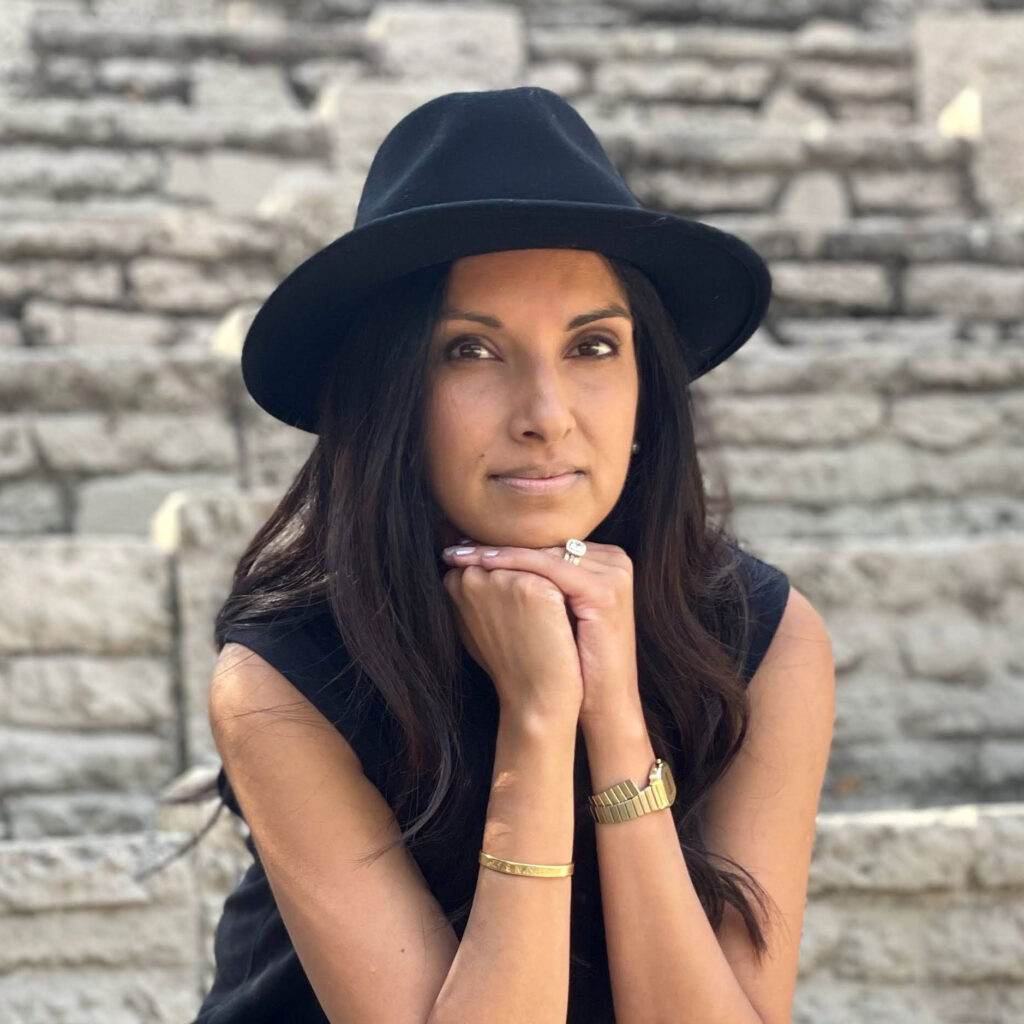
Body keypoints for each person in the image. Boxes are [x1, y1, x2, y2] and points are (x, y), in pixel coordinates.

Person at [182, 86, 835, 1024]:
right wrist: (539, 717)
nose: (545, 415)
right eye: (472, 353)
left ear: (648, 391)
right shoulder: (283, 680)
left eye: (594, 346)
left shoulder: (762, 637)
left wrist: (613, 719)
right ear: (391, 396)